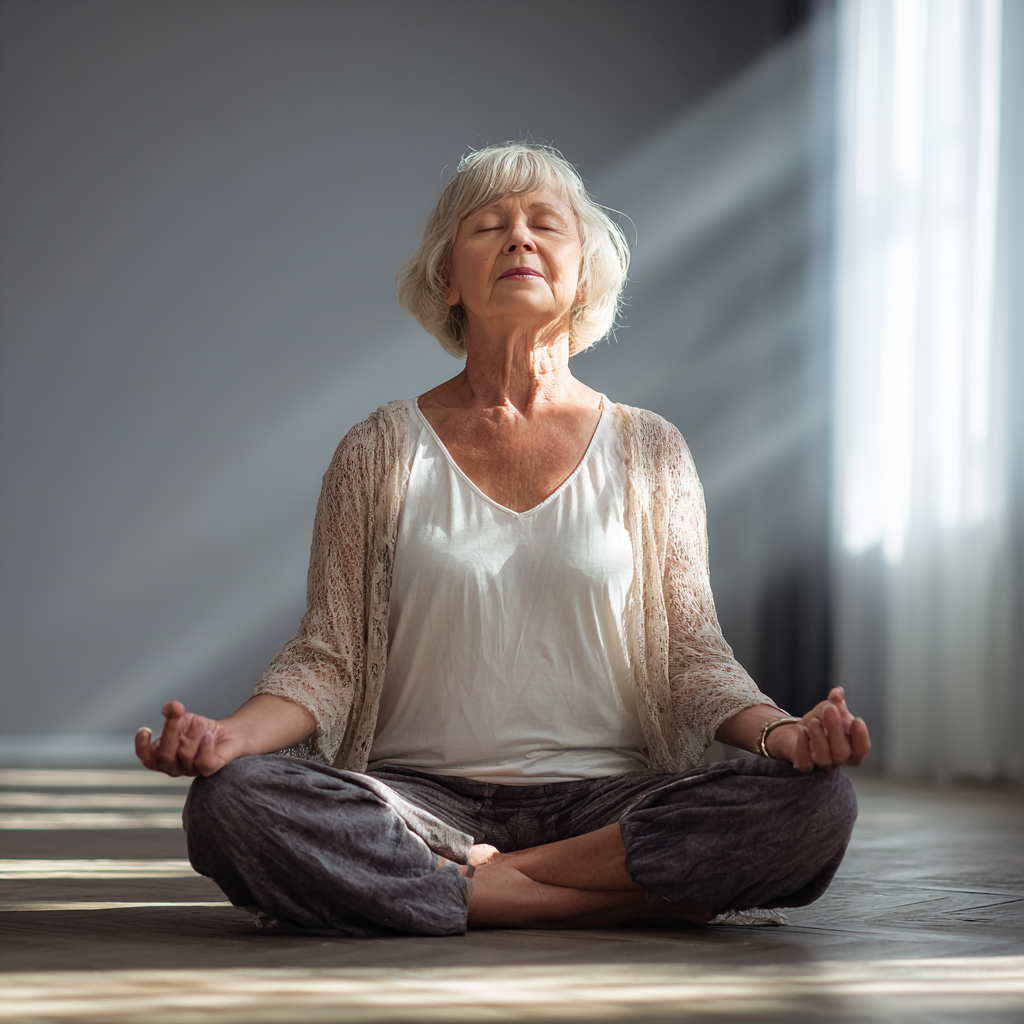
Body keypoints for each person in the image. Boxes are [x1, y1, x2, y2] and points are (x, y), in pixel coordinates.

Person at [135, 143, 870, 936]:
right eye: (488, 226)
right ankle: (617, 897)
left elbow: (692, 656)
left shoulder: (650, 449)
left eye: (544, 224)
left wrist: (785, 735)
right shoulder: (378, 450)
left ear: (582, 274)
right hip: (420, 803)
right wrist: (230, 738)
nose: (519, 238)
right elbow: (329, 658)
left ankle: (471, 890)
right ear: (448, 279)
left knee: (818, 804)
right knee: (232, 802)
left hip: (607, 802)